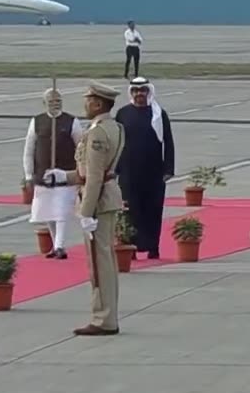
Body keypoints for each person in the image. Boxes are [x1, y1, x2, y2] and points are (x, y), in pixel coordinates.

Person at [70, 83, 126, 336]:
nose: (85, 104)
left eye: (88, 100)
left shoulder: (98, 133)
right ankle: (107, 315)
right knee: (106, 261)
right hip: (107, 196)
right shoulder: (115, 128)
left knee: (99, 263)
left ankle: (103, 319)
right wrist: (63, 177)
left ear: (97, 103)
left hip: (98, 201)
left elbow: (94, 177)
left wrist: (85, 212)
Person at [114, 77, 175, 259]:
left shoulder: (158, 114)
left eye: (143, 91)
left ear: (149, 92)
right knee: (129, 210)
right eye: (135, 91)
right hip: (128, 172)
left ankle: (152, 247)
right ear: (131, 93)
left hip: (154, 172)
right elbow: (116, 143)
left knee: (153, 210)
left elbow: (168, 142)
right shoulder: (123, 114)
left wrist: (168, 169)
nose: (139, 94)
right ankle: (130, 247)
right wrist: (114, 169)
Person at [23, 87, 82, 260]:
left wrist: (79, 172)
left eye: (58, 101)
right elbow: (29, 150)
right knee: (47, 211)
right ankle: (56, 244)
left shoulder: (72, 122)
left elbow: (81, 147)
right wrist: (28, 175)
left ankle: (60, 246)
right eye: (51, 101)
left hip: (65, 175)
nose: (55, 104)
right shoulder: (37, 122)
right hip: (43, 175)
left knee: (61, 210)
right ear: (44, 103)